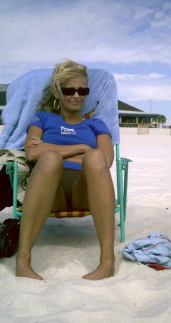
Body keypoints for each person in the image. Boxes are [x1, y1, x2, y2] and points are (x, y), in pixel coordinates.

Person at [15, 60, 116, 281]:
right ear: (57, 92)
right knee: (50, 159)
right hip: (52, 192)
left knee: (92, 155)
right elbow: (32, 154)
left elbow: (105, 159)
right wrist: (81, 148)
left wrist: (52, 149)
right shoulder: (42, 118)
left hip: (86, 191)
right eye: (69, 90)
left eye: (83, 90)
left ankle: (107, 261)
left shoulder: (96, 124)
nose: (76, 95)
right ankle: (22, 261)